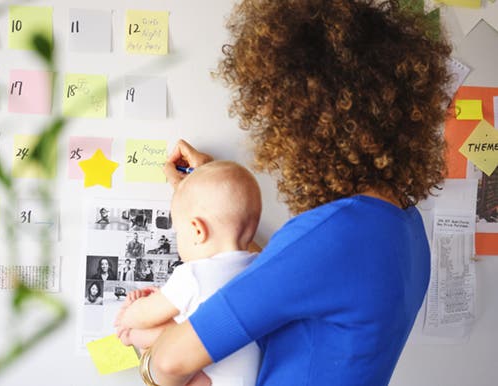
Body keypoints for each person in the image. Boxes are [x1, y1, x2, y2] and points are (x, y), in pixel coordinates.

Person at [141, 1, 453, 386]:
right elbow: (289, 276)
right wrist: (208, 194)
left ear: (305, 120)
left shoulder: (332, 236)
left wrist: (146, 358)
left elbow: (171, 362)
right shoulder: (406, 227)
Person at [115, 161, 263, 386]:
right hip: (249, 379)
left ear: (197, 230)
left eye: (177, 233)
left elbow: (145, 314)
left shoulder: (193, 274)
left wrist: (127, 317)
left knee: (165, 333)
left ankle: (128, 336)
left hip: (207, 377)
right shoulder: (260, 267)